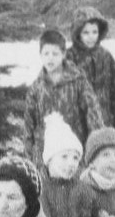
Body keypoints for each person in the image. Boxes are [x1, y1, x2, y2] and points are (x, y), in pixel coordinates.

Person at [22, 29, 104, 161]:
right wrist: (28, 156)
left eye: (55, 54)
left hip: (73, 152)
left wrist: (95, 149)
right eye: (46, 53)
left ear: (64, 54)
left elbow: (93, 115)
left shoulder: (78, 81)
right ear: (40, 55)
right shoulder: (36, 88)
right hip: (44, 155)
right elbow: (28, 126)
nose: (50, 58)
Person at [70, 11, 115, 133]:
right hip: (79, 126)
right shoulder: (69, 58)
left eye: (94, 32)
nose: (91, 36)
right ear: (77, 33)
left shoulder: (106, 57)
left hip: (105, 123)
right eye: (86, 32)